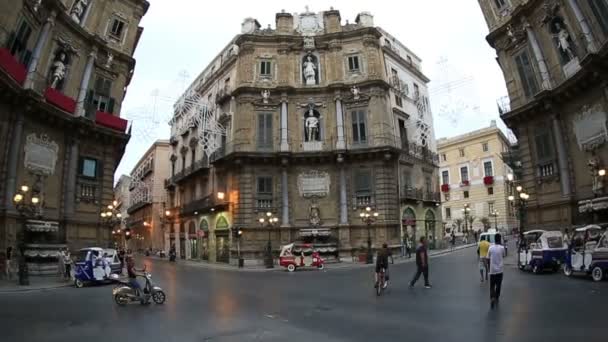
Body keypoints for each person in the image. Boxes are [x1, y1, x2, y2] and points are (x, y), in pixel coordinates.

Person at [488, 234, 506, 309]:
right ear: (500, 239)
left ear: (494, 239)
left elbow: (488, 258)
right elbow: (504, 255)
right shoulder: (502, 248)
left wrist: (489, 267)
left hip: (492, 270)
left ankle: (492, 297)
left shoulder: (491, 248)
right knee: (498, 285)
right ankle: (497, 297)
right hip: (500, 270)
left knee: (492, 286)